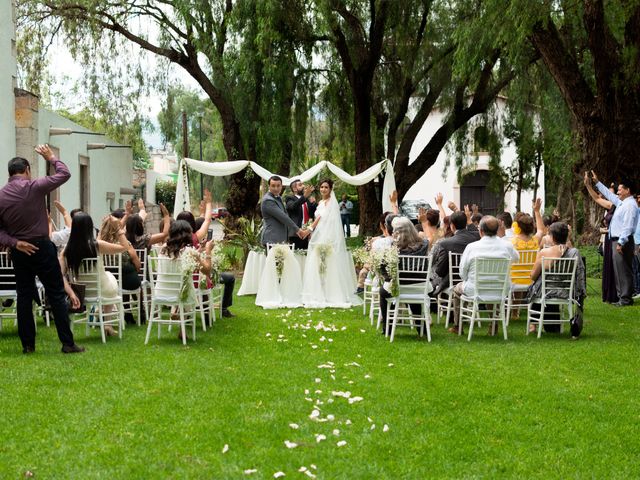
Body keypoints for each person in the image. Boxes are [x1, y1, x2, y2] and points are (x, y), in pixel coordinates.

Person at [0, 145, 84, 354]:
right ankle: (67, 343)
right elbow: (65, 174)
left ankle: (28, 346)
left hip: (20, 251)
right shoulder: (35, 186)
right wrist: (51, 157)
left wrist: (14, 243)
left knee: (24, 296)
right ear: (27, 170)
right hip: (42, 246)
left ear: (9, 173)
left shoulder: (1, 196)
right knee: (56, 293)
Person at [61, 213, 133, 336]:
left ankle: (107, 325)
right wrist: (118, 228)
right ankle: (107, 324)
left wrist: (71, 293)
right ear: (89, 228)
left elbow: (60, 275)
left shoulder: (67, 250)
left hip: (81, 293)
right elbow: (125, 247)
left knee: (108, 277)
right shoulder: (96, 246)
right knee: (110, 277)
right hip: (103, 290)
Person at [450, 216, 519, 334]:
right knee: (491, 288)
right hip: (500, 289)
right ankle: (493, 325)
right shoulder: (507, 246)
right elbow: (516, 259)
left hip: (475, 288)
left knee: (456, 290)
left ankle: (458, 326)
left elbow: (462, 272)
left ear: (480, 231)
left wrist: (466, 280)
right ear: (497, 230)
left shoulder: (472, 247)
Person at [300, 179, 362, 308]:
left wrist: (309, 229)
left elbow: (320, 218)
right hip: (319, 233)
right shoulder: (321, 202)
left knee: (327, 263)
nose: (323, 189)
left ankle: (330, 292)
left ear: (331, 189)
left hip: (327, 236)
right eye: (322, 187)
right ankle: (319, 291)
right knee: (318, 263)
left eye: (326, 187)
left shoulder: (332, 202)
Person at [527, 222, 586, 337]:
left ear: (552, 237)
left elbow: (533, 276)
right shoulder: (574, 253)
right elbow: (579, 274)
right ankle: (553, 326)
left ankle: (534, 324)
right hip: (566, 291)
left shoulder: (544, 252)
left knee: (535, 285)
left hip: (546, 291)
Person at [591, 171, 639, 306]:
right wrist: (597, 182)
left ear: (627, 190)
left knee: (623, 270)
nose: (617, 192)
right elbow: (609, 195)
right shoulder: (623, 203)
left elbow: (628, 226)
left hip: (622, 241)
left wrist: (621, 243)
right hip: (616, 240)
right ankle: (622, 297)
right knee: (619, 270)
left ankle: (625, 299)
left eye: (620, 190)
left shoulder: (630, 205)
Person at [378, 217, 429, 335]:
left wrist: (388, 278)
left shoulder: (393, 247)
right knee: (413, 293)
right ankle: (421, 328)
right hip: (420, 286)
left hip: (400, 287)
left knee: (383, 291)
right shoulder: (424, 244)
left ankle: (387, 328)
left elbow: (383, 267)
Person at [584, 173, 618, 303]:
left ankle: (619, 294)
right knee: (609, 266)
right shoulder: (611, 205)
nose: (607, 195)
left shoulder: (620, 205)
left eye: (610, 193)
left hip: (617, 238)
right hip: (609, 239)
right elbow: (597, 199)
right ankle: (610, 294)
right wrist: (588, 185)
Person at [429, 211, 480, 299]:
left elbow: (439, 271)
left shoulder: (445, 243)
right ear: (465, 223)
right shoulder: (476, 239)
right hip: (470, 277)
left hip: (451, 279)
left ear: (452, 225)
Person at [260, 176, 308, 247]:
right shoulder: (268, 200)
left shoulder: (277, 198)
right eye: (273, 186)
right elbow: (283, 217)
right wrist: (298, 230)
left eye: (278, 186)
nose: (276, 188)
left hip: (280, 240)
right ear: (269, 186)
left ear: (281, 186)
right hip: (272, 239)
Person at [285, 179, 316, 250]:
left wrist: (313, 204)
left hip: (307, 233)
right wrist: (304, 197)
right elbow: (293, 207)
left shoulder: (307, 200)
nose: (303, 186)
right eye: (300, 185)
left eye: (303, 184)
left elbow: (311, 215)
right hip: (295, 234)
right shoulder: (289, 198)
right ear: (294, 189)